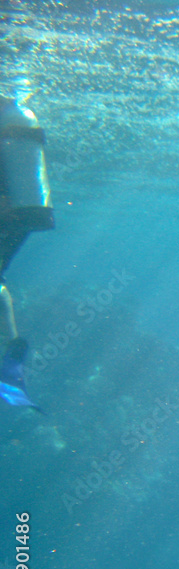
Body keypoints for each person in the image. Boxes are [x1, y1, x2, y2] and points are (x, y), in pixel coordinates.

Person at [0, 95, 54, 410]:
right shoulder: (17, 115)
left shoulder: (11, 118)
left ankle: (12, 363)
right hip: (27, 211)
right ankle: (11, 361)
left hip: (12, 209)